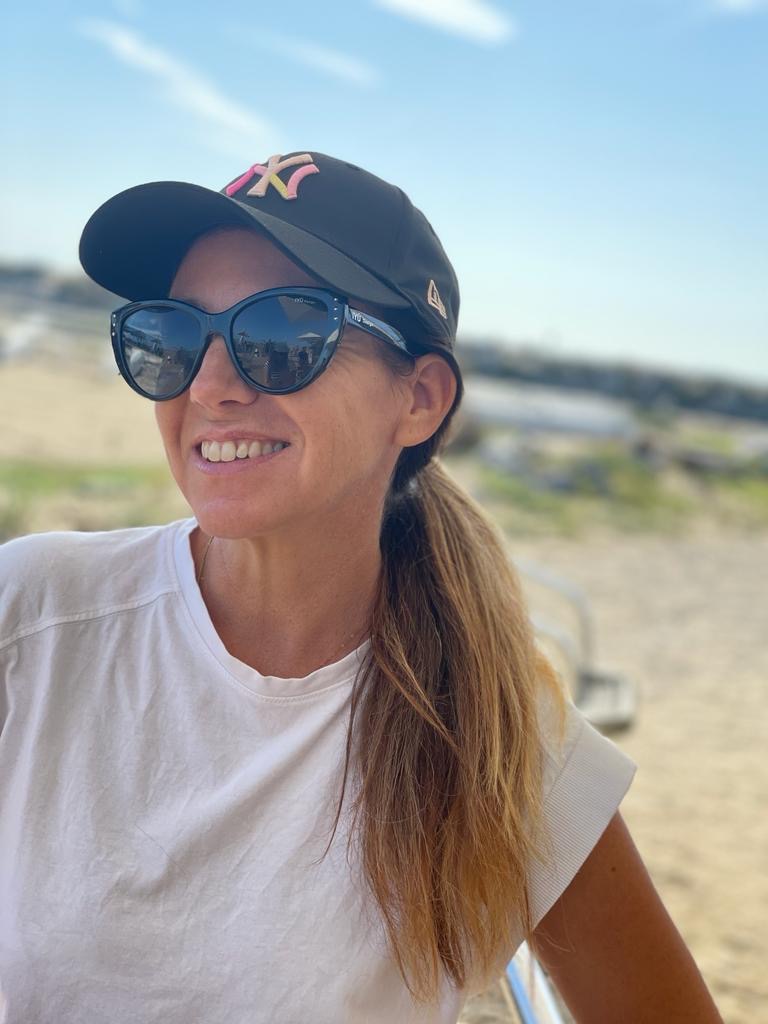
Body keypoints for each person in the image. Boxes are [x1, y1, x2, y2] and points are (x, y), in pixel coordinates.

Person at [0, 152, 722, 1023]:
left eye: (282, 336)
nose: (211, 387)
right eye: (172, 337)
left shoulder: (496, 734)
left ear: (419, 399)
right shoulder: (34, 619)